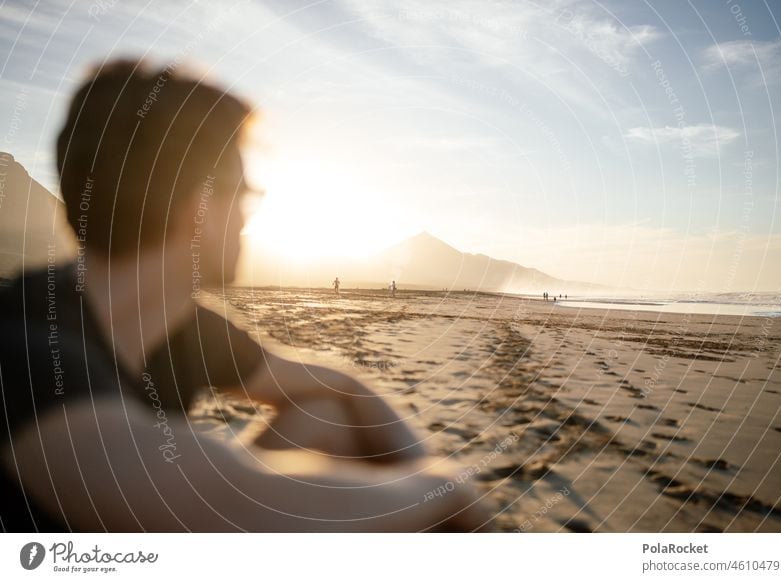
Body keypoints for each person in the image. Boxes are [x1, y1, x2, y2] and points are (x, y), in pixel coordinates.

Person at [0, 59, 490, 532]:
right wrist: (446, 492)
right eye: (247, 197)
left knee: (325, 417)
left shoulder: (187, 327)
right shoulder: (24, 349)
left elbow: (341, 386)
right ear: (200, 208)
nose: (248, 219)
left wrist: (425, 469)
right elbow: (221, 505)